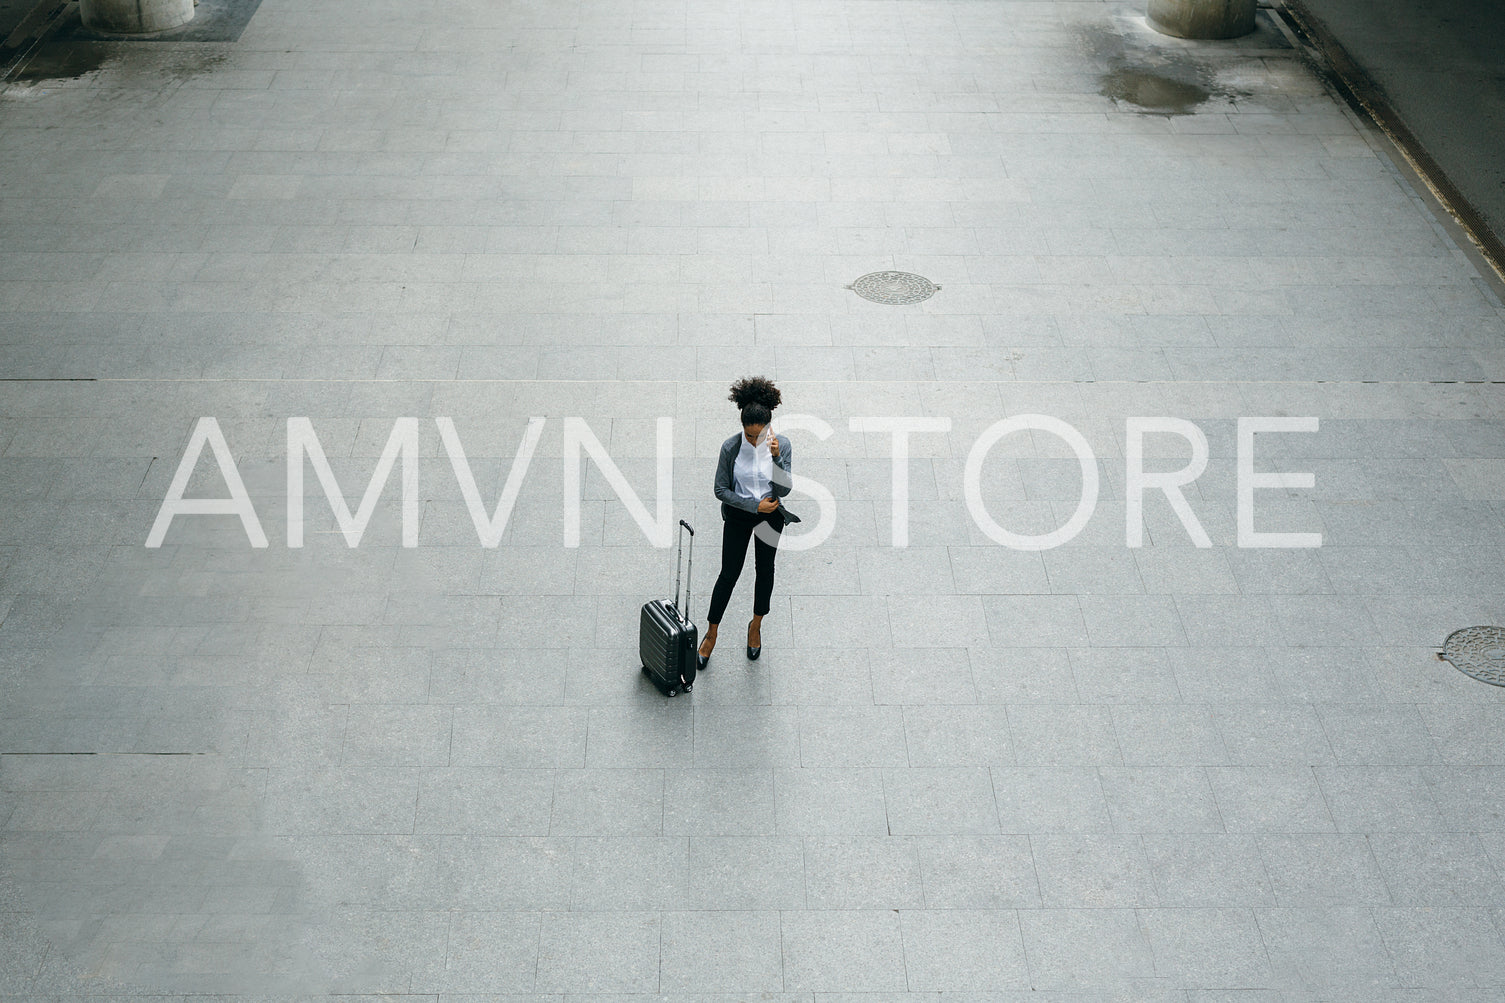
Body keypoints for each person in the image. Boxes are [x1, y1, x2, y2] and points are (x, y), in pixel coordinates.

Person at [698, 376, 799, 669]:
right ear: (743, 428)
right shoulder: (731, 448)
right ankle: (711, 632)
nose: (755, 441)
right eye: (750, 435)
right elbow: (720, 490)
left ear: (769, 427)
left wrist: (777, 459)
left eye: (760, 435)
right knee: (729, 574)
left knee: (764, 571)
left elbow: (785, 489)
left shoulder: (783, 445)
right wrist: (752, 504)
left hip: (770, 517)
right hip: (740, 515)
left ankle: (755, 626)